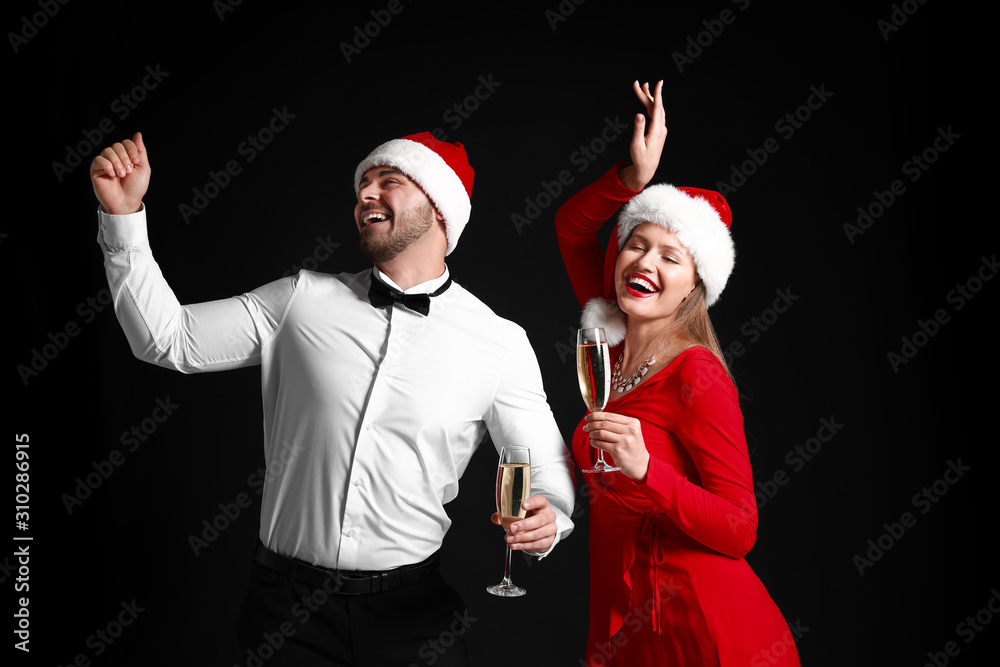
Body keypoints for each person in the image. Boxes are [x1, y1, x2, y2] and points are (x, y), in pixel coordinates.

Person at [90, 130, 575, 666]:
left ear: (439, 209)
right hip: (287, 615)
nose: (366, 194)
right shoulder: (299, 299)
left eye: (388, 182)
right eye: (363, 184)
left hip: (413, 619)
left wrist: (548, 516)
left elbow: (548, 470)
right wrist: (124, 217)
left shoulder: (499, 343)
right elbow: (169, 339)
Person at [555, 81, 800, 666]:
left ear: (695, 286)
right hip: (631, 625)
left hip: (706, 631)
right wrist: (630, 182)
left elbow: (741, 528)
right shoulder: (607, 353)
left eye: (671, 256)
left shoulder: (697, 375)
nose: (645, 262)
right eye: (636, 245)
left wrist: (649, 474)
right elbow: (570, 227)